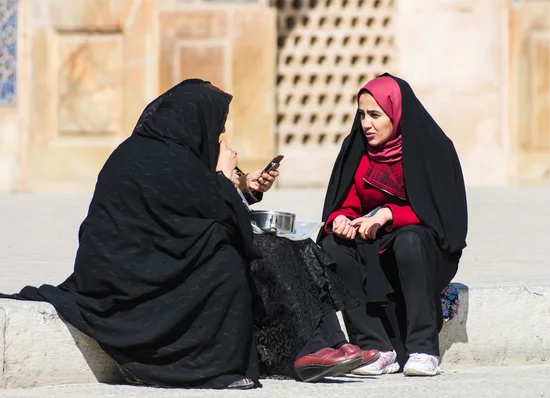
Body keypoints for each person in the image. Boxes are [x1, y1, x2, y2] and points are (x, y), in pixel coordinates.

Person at [0, 79, 375, 389]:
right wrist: (225, 177)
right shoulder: (168, 162)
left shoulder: (154, 153)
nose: (218, 135)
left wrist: (240, 184)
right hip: (133, 287)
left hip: (137, 269)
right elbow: (228, 219)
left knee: (252, 249)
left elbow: (199, 206)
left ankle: (320, 344)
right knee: (244, 254)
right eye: (216, 127)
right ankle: (302, 348)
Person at [318, 73, 468, 377]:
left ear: (396, 114)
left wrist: (388, 214)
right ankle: (376, 348)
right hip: (377, 245)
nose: (366, 124)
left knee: (408, 240)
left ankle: (423, 349)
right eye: (361, 114)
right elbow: (342, 204)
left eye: (375, 115)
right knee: (332, 245)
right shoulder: (357, 148)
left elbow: (442, 215)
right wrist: (342, 220)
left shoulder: (432, 148)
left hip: (426, 249)